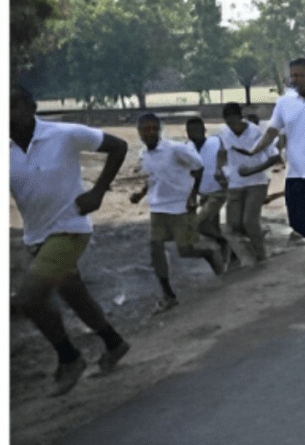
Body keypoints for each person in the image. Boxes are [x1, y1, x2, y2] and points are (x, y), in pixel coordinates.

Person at [9, 84, 132, 396]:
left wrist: (98, 191)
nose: (9, 114)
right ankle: (113, 342)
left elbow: (118, 146)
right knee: (75, 296)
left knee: (28, 299)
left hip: (70, 227)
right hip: (36, 236)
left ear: (32, 106)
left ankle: (69, 357)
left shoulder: (64, 134)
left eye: (15, 105)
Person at [234, 57, 305, 288]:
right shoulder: (285, 102)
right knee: (298, 223)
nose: (297, 79)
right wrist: (254, 150)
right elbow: (272, 130)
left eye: (302, 75)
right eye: (293, 75)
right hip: (295, 174)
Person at [130, 113, 225, 310]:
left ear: (159, 130)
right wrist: (140, 193)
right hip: (158, 207)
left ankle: (210, 256)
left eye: (153, 128)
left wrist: (193, 196)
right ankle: (168, 294)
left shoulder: (175, 149)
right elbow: (151, 178)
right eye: (145, 129)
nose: (149, 133)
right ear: (139, 132)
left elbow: (198, 167)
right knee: (155, 247)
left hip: (180, 206)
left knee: (185, 250)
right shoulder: (143, 155)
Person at [216, 102, 280, 266]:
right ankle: (243, 256)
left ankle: (261, 256)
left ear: (240, 116)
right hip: (235, 183)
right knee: (232, 225)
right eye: (227, 121)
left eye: (233, 120)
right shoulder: (224, 134)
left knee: (249, 221)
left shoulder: (257, 132)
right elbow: (222, 153)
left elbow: (274, 157)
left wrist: (253, 170)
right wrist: (220, 170)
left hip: (257, 181)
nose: (231, 124)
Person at [185, 117, 231, 262]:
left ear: (204, 130)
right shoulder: (188, 148)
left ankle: (226, 245)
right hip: (203, 194)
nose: (194, 133)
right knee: (212, 226)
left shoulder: (216, 142)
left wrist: (224, 173)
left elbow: (227, 158)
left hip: (219, 191)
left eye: (197, 130)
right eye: (190, 131)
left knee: (197, 224)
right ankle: (231, 256)